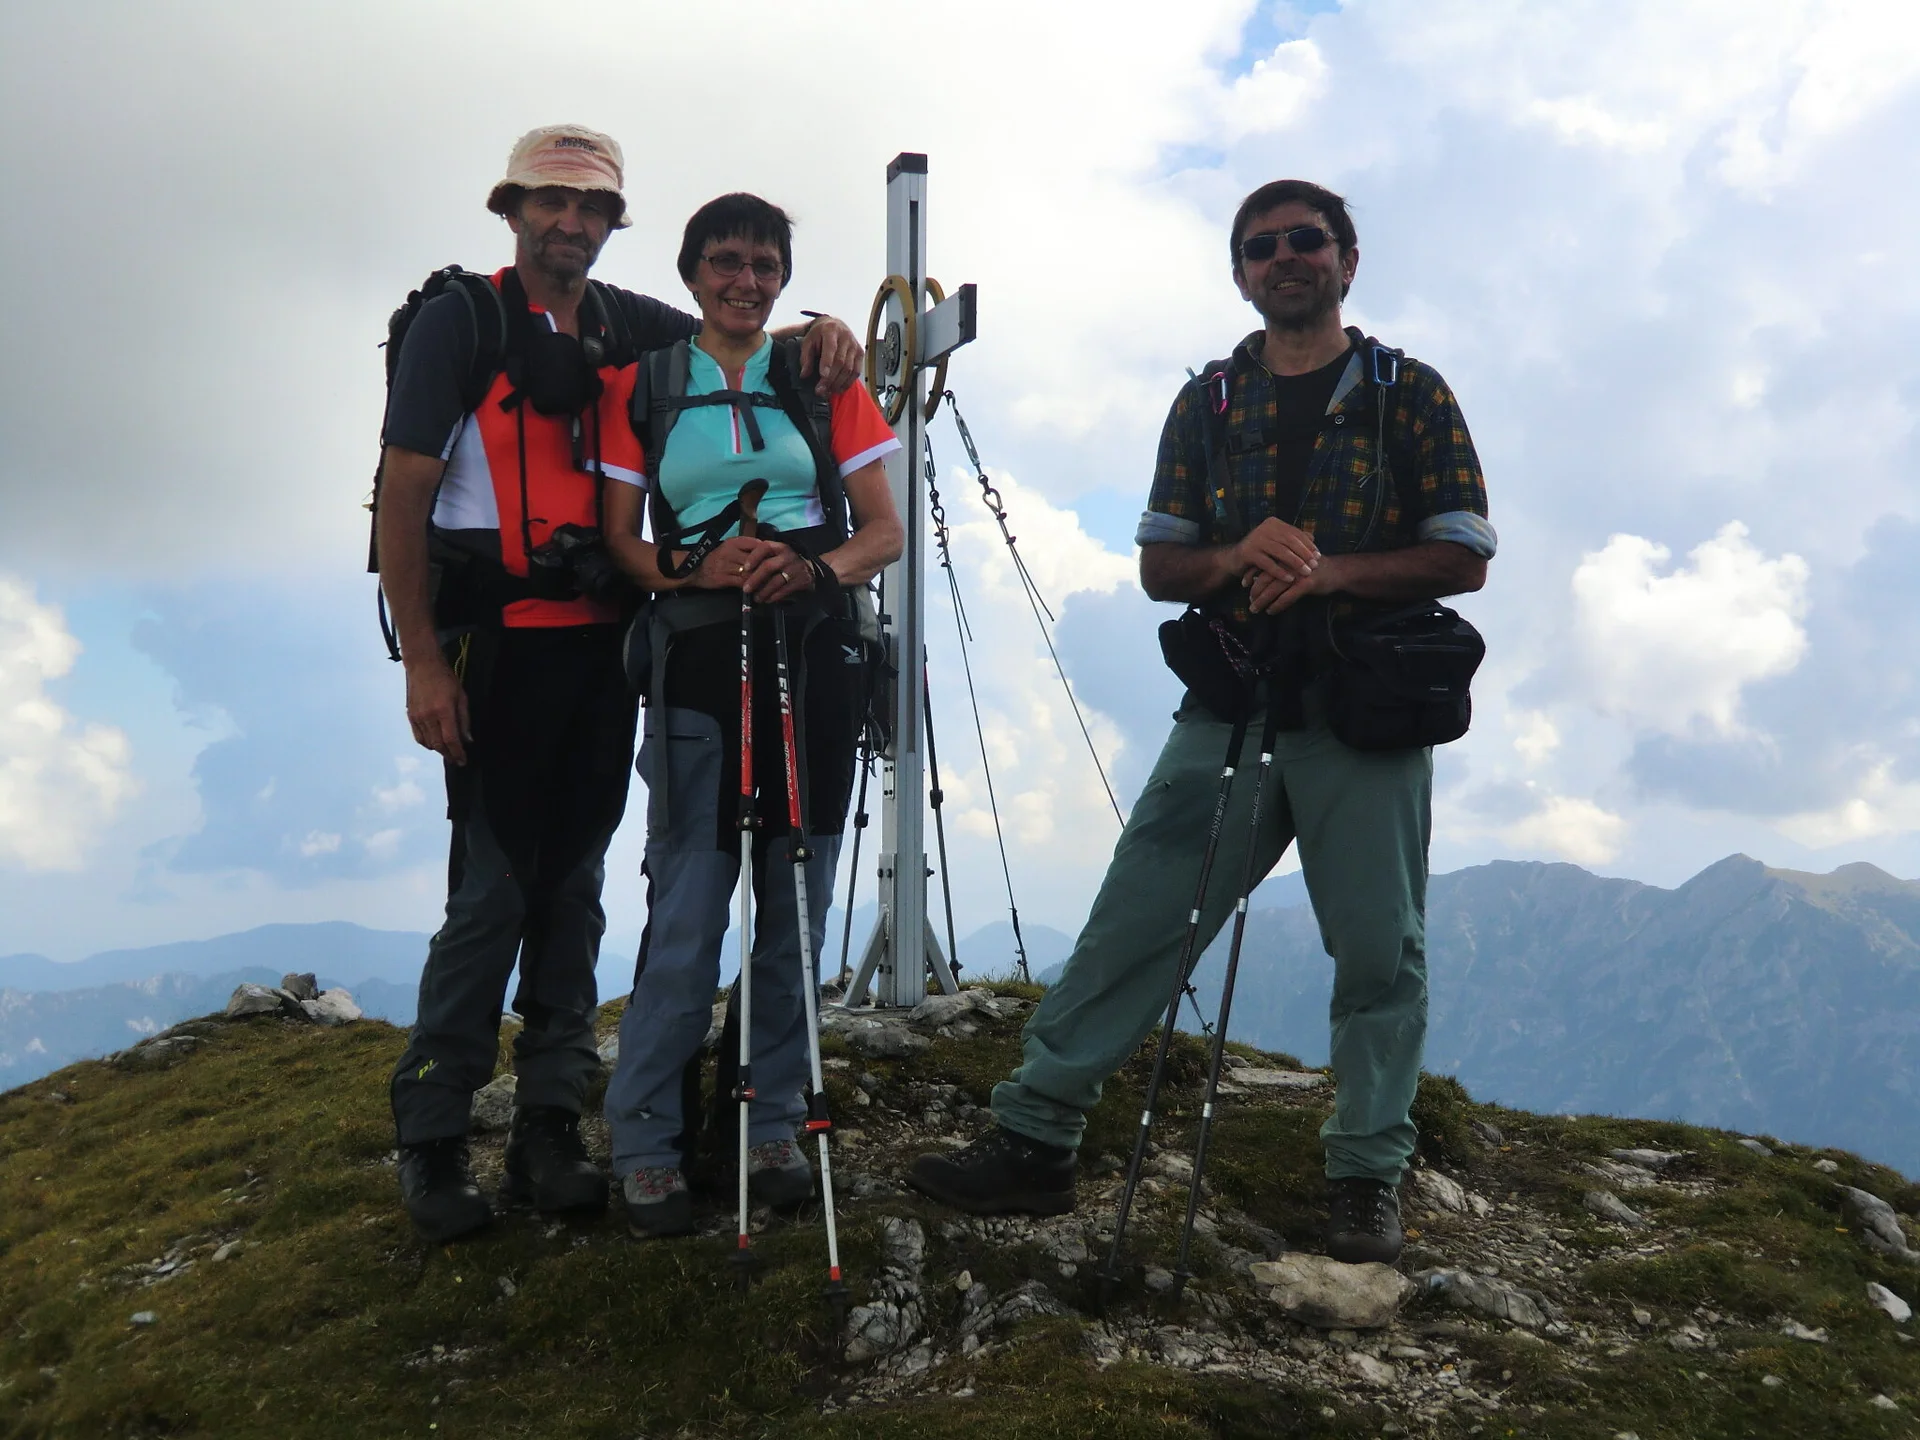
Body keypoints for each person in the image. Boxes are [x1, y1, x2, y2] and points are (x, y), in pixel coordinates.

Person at [907, 179, 1495, 1265]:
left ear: (1347, 260)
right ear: (1242, 274)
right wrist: (1237, 556)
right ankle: (1035, 1133)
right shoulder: (1211, 402)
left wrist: (1324, 572)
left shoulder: (1411, 394)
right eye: (1262, 246)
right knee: (1140, 915)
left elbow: (1464, 552)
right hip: (1232, 699)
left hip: (1361, 714)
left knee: (1379, 949)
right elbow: (1162, 564)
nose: (1285, 258)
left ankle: (1367, 1173)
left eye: (1306, 241)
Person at [378, 127, 863, 1244]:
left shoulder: (624, 324)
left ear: (611, 223)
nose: (572, 224)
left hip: (608, 640)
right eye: (552, 202)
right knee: (495, 886)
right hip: (492, 640)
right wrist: (419, 661)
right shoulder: (463, 322)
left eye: (592, 208)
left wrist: (826, 330)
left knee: (581, 882)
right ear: (512, 208)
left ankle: (549, 1125)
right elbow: (402, 494)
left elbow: (735, 336)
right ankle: (434, 1134)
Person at [599, 192, 903, 1237]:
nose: (747, 280)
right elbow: (623, 546)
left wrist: (807, 565)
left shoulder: (825, 380)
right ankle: (644, 1138)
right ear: (691, 274)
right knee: (687, 905)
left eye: (765, 264)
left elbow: (883, 533)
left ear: (782, 276)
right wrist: (694, 563)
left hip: (814, 655)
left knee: (796, 899)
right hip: (693, 656)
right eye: (726, 261)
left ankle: (770, 1121)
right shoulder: (642, 387)